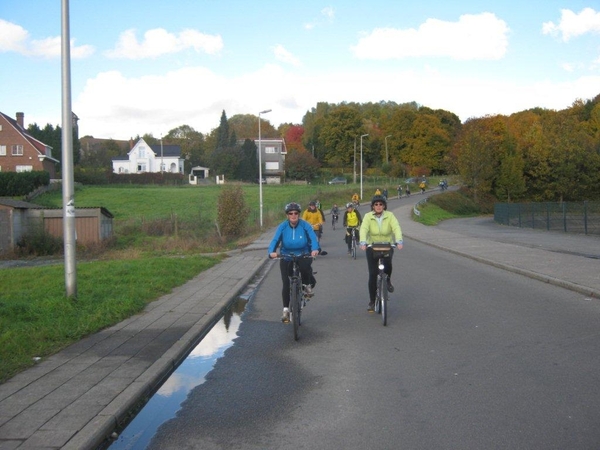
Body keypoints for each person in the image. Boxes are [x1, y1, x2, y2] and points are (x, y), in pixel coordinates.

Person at [268, 202, 320, 323]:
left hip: (303, 253)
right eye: (290, 213)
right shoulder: (282, 227)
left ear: (299, 214)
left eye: (296, 213)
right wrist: (271, 251)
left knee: (305, 266)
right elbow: (275, 239)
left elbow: (312, 237)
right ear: (287, 215)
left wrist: (315, 249)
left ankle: (307, 285)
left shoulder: (305, 225)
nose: (293, 215)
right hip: (286, 256)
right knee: (286, 283)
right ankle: (286, 310)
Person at [359, 195, 403, 312]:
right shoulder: (368, 216)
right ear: (373, 206)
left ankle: (387, 279)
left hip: (387, 245)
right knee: (373, 274)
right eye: (376, 204)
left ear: (384, 206)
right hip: (372, 246)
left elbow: (396, 227)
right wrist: (363, 241)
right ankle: (372, 301)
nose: (378, 206)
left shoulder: (390, 216)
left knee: (388, 265)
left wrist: (399, 240)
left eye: (381, 204)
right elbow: (363, 229)